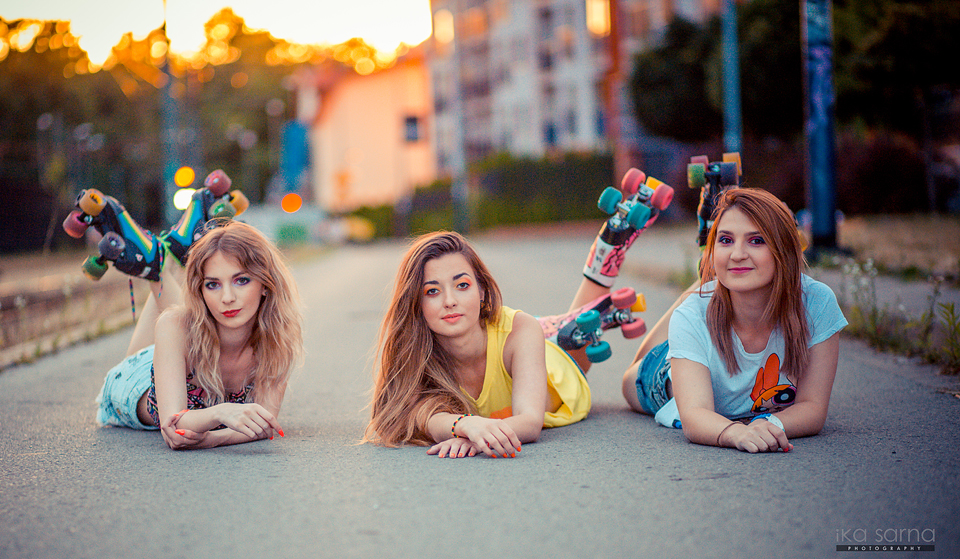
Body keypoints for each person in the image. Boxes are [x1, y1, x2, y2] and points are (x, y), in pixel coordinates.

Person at [363, 176, 669, 458]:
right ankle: (595, 293)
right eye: (432, 291)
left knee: (565, 340)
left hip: (556, 364)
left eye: (462, 285)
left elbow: (529, 422)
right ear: (415, 304)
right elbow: (419, 415)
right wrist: (466, 426)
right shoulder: (417, 353)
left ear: (482, 290)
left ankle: (607, 258)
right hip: (524, 342)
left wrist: (475, 437)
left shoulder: (519, 330)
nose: (450, 301)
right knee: (562, 328)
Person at [621, 186, 847, 453]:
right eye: (726, 240)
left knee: (694, 310)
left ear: (785, 250)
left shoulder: (817, 303)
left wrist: (769, 424)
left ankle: (705, 284)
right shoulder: (692, 315)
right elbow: (694, 415)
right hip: (665, 373)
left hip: (700, 332)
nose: (737, 254)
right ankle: (702, 285)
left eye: (757, 240)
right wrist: (736, 433)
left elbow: (813, 408)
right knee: (635, 374)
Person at [82, 178, 302, 449]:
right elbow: (175, 425)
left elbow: (264, 425)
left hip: (175, 353)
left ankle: (161, 262)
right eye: (212, 284)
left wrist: (212, 438)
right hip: (132, 381)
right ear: (201, 289)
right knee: (176, 321)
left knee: (178, 321)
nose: (228, 298)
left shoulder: (277, 337)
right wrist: (221, 413)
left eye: (242, 280)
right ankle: (159, 267)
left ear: (266, 285)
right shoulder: (175, 324)